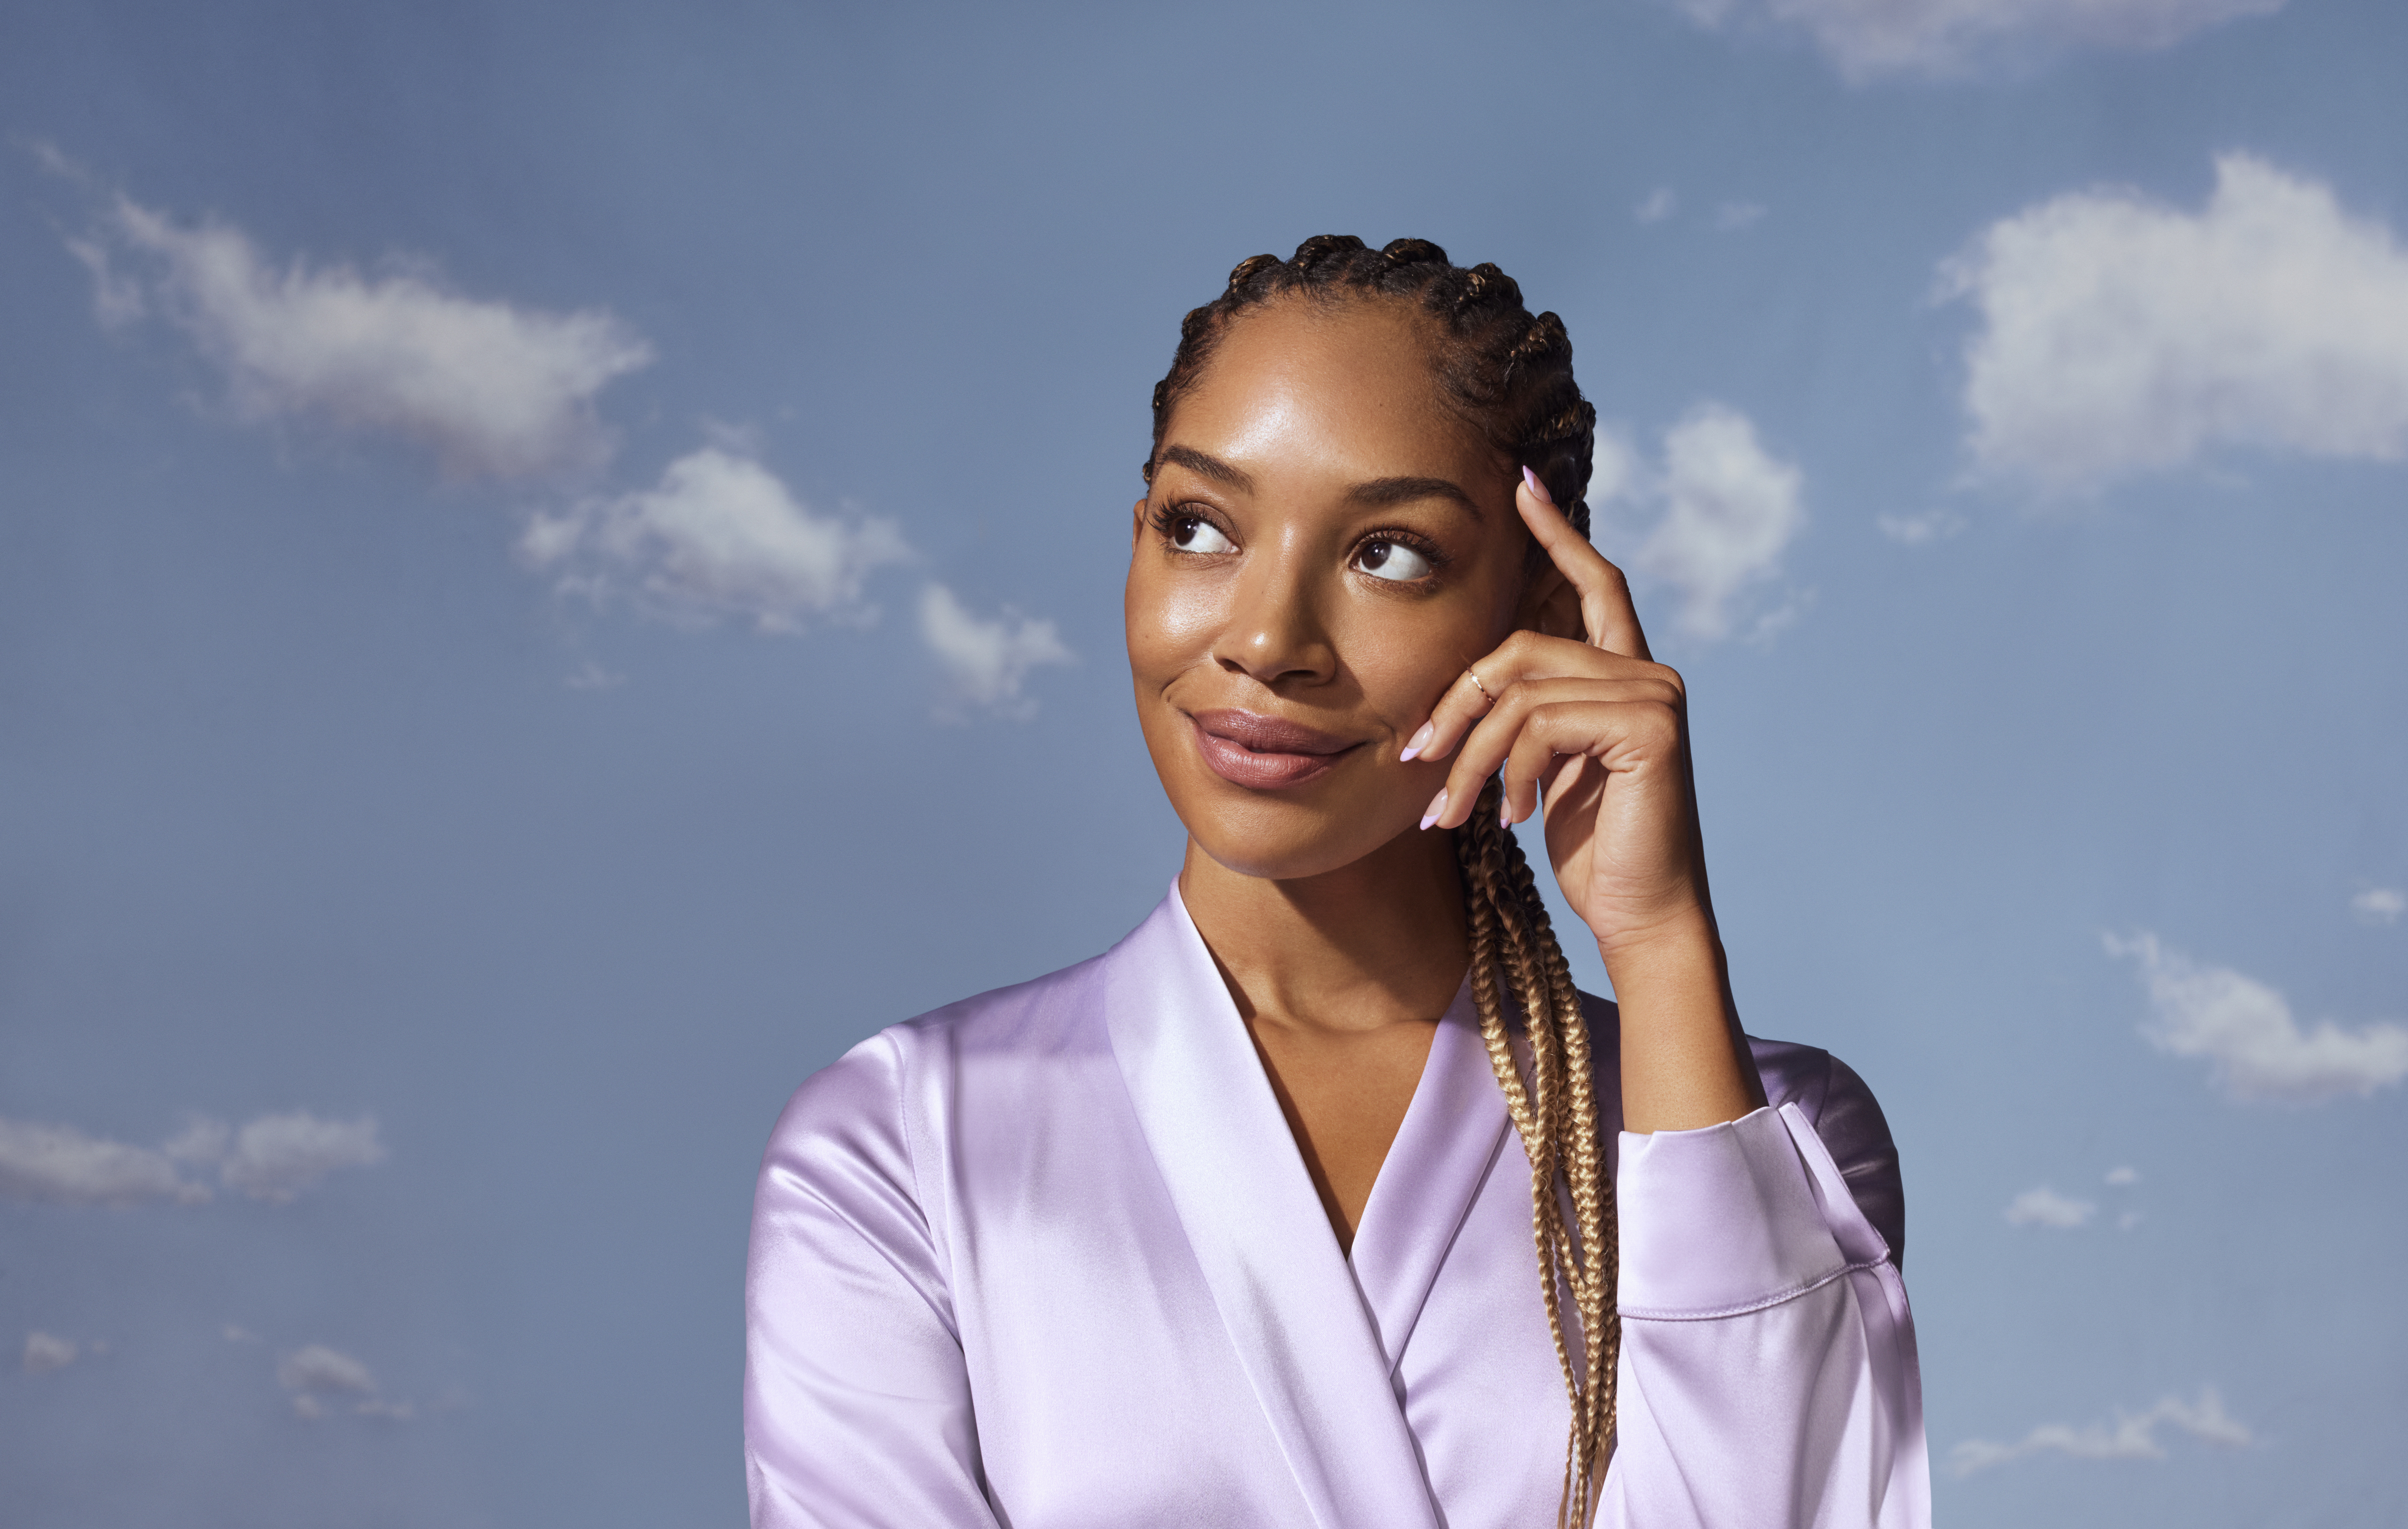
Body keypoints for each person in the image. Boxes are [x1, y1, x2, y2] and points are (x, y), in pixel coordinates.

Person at [744, 236, 1929, 1528]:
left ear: (1540, 615)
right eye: (1200, 529)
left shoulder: (1776, 1133)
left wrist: (1656, 936)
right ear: (1134, 540)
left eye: (1390, 554)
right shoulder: (905, 1145)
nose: (1264, 639)